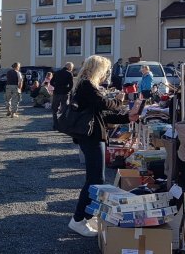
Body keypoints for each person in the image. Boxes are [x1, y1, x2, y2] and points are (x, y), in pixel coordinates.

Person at [68, 55, 131, 237]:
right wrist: (118, 101)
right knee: (95, 179)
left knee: (96, 179)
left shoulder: (86, 85)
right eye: (105, 70)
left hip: (92, 136)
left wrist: (127, 117)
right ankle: (78, 219)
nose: (106, 74)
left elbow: (101, 115)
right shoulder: (87, 85)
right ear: (97, 69)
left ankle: (86, 216)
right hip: (91, 137)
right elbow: (104, 105)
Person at [51, 62, 75, 130]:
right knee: (65, 109)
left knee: (54, 109)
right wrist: (67, 90)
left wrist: (56, 86)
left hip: (56, 93)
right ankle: (63, 124)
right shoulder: (69, 73)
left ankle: (55, 125)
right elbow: (71, 85)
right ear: (70, 67)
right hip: (65, 93)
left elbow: (51, 82)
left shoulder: (57, 72)